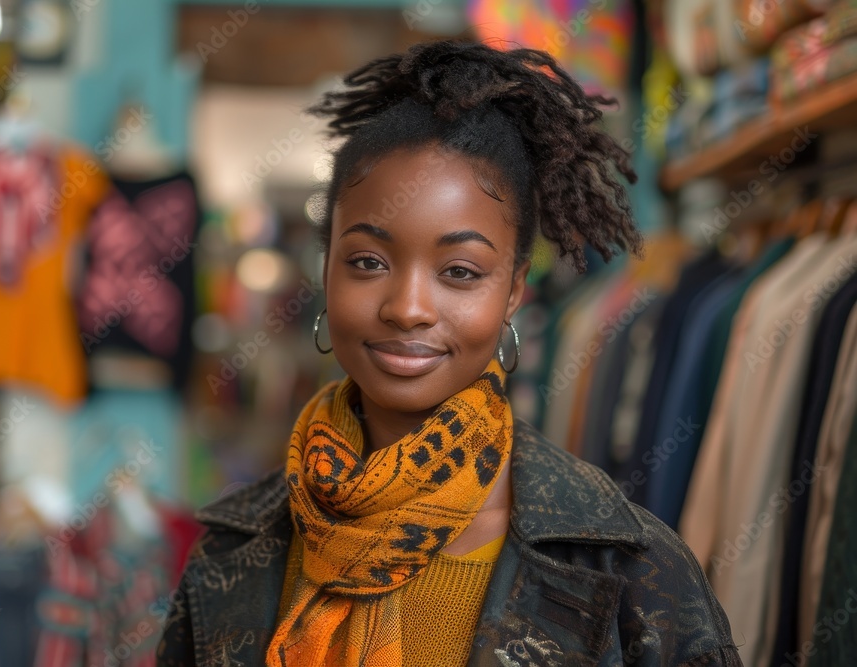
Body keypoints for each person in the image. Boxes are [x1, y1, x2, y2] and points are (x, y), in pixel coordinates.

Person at [157, 40, 742, 666]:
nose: (408, 307)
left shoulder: (633, 574)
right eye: (367, 262)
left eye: (460, 271)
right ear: (326, 270)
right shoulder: (231, 552)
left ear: (514, 290)